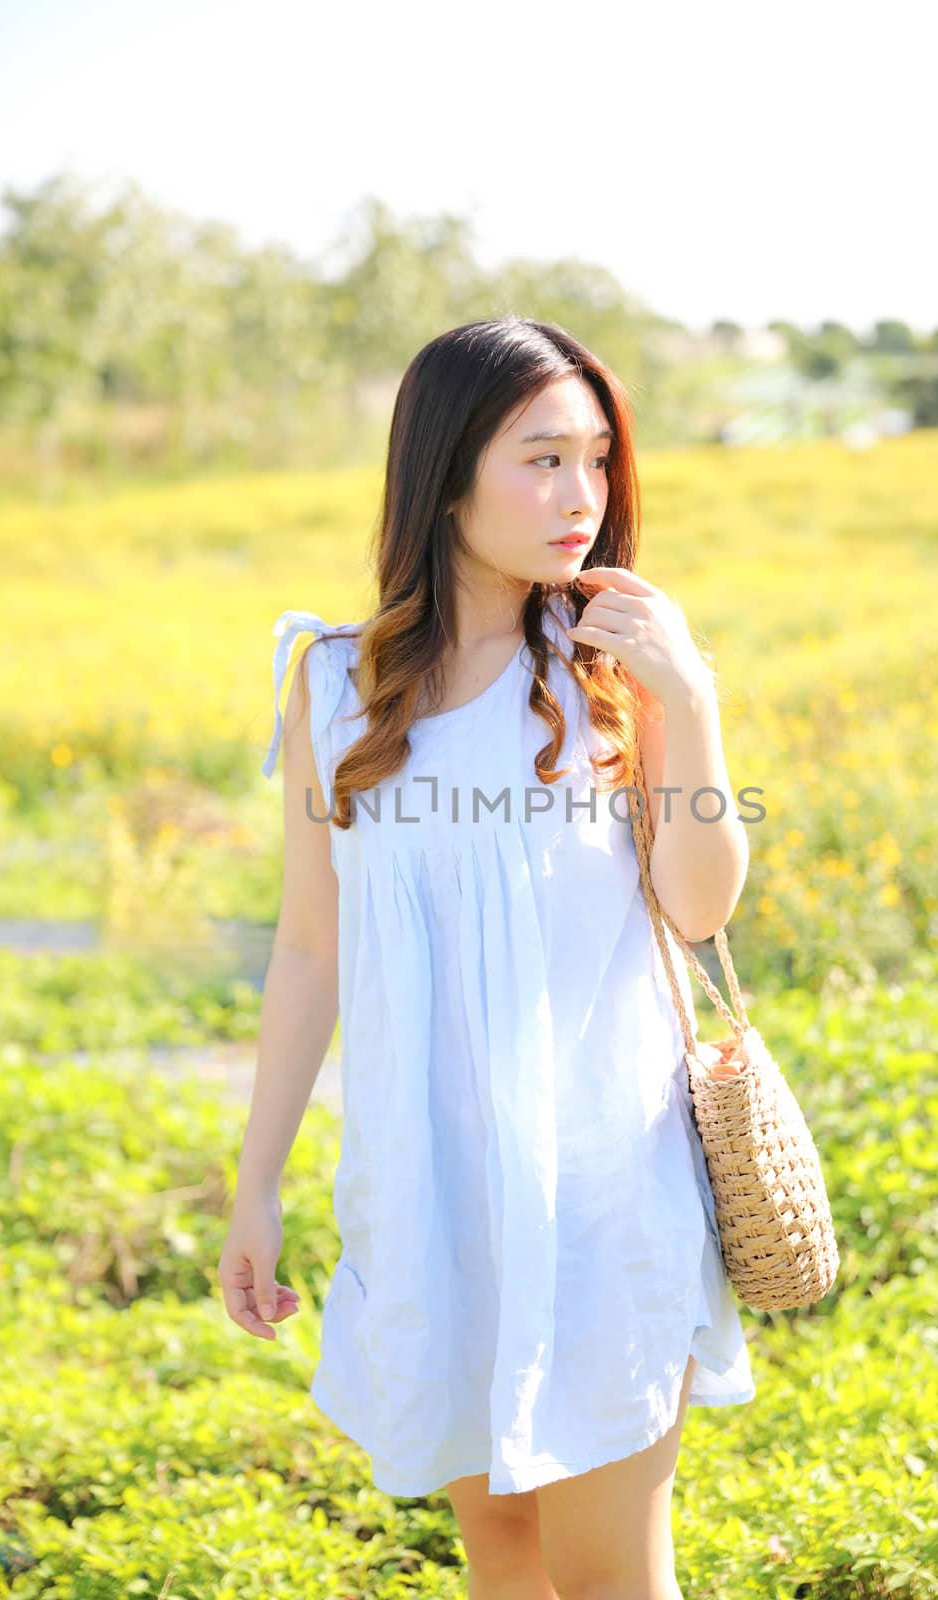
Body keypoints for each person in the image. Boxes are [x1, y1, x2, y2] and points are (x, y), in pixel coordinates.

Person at [218, 316, 756, 1599]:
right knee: (502, 1560)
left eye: (596, 460)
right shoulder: (335, 685)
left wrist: (692, 699)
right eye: (540, 460)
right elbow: (308, 947)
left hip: (600, 1191)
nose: (581, 497)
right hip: (429, 1189)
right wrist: (255, 1184)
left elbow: (697, 904)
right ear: (444, 469)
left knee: (608, 1572)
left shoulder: (610, 668)